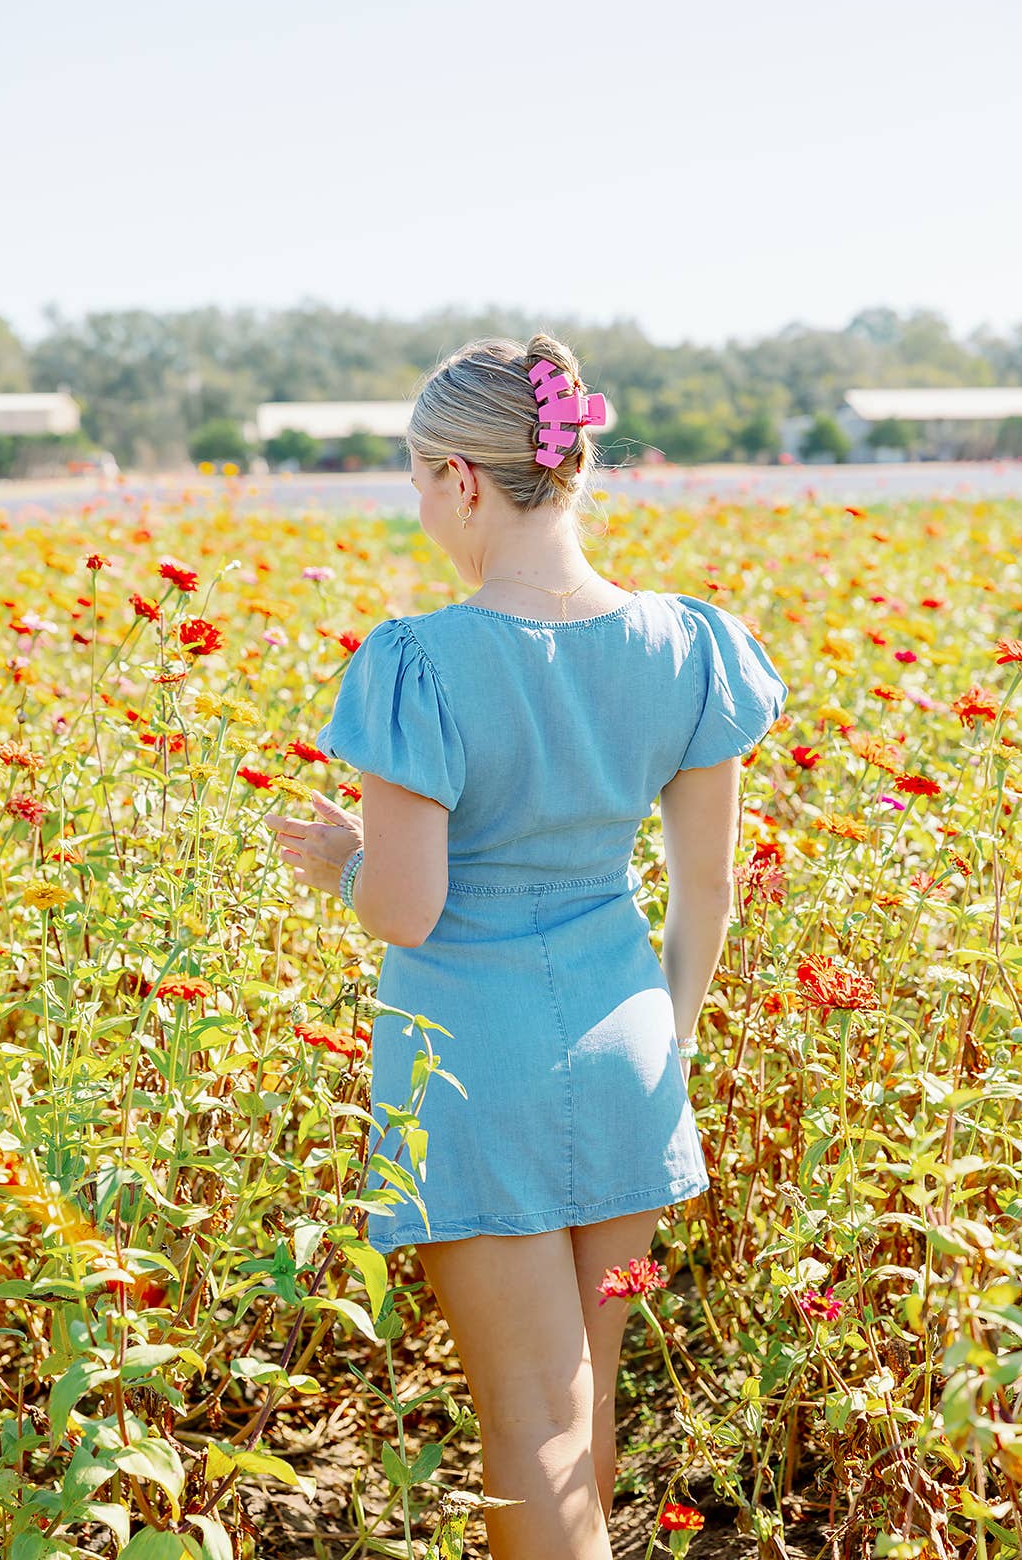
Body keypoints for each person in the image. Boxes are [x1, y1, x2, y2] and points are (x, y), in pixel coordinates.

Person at [265, 333, 789, 1560]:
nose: (417, 507)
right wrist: (670, 1040)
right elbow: (703, 888)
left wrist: (338, 855)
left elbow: (405, 907)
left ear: (461, 479)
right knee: (588, 1405)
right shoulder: (686, 641)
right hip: (628, 1046)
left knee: (526, 1422)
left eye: (411, 479)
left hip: (473, 1060)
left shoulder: (423, 661)